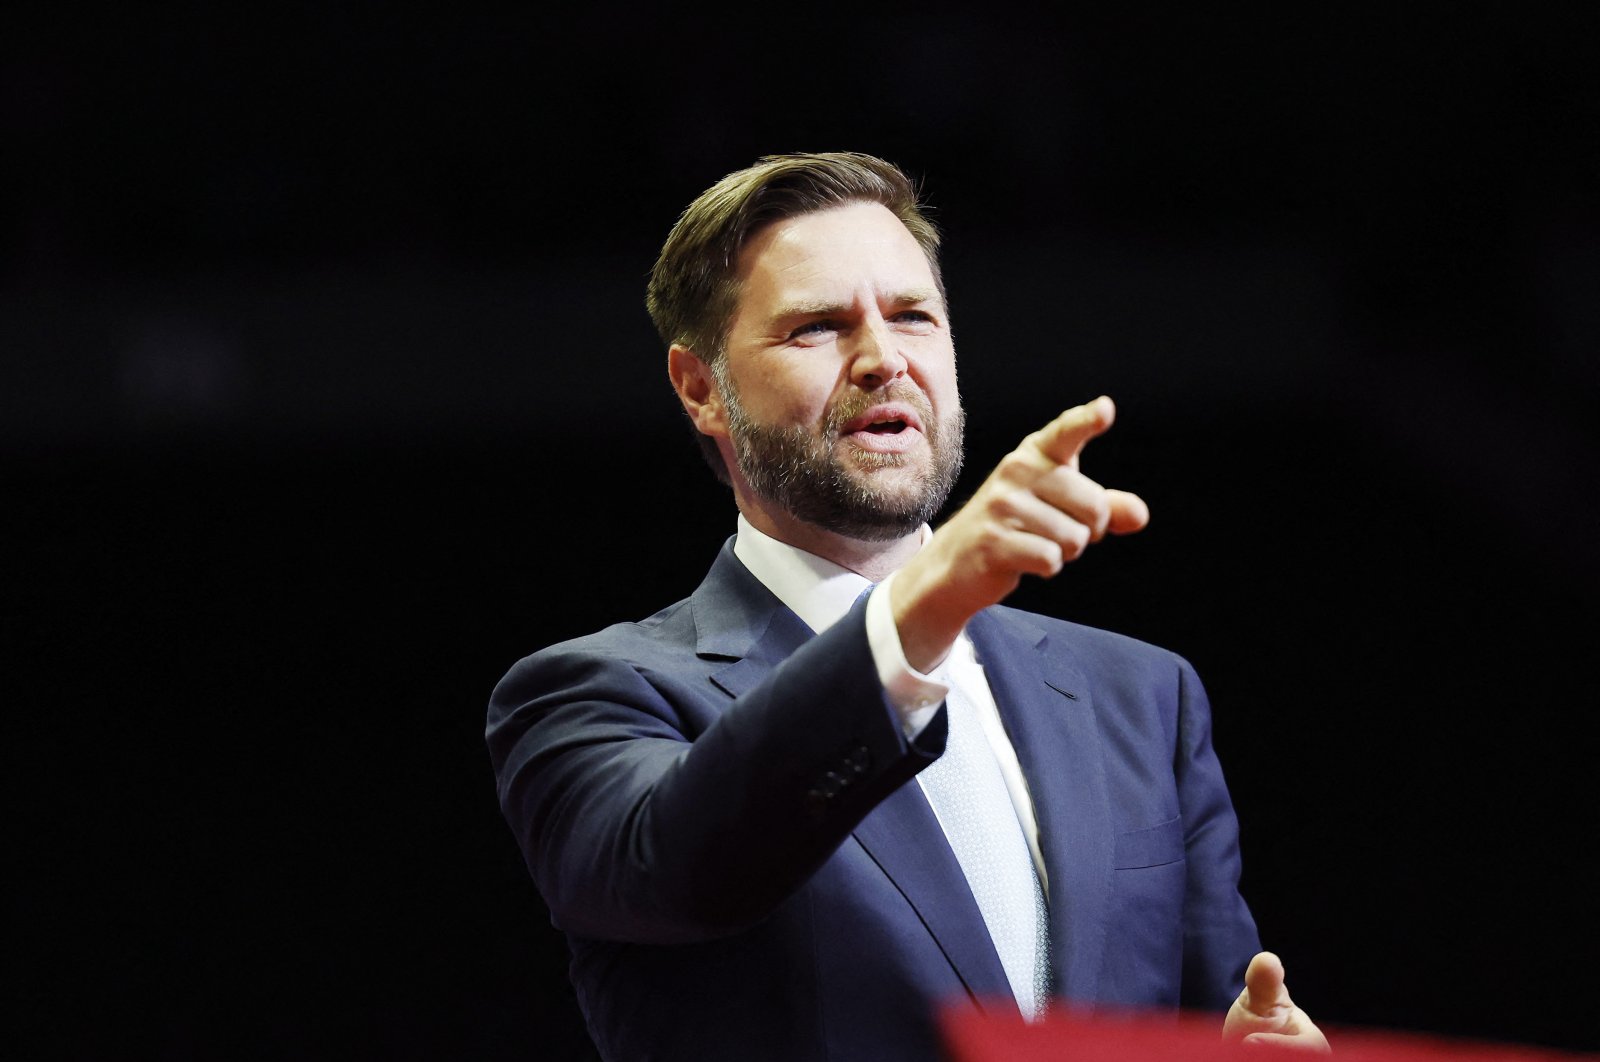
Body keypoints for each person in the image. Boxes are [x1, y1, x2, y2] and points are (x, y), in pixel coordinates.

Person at [487, 152, 1326, 1060]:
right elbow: (681, 864)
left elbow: (1214, 1013)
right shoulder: (592, 695)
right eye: (817, 327)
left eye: (913, 316)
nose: (884, 359)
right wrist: (931, 600)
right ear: (700, 389)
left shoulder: (1140, 695)